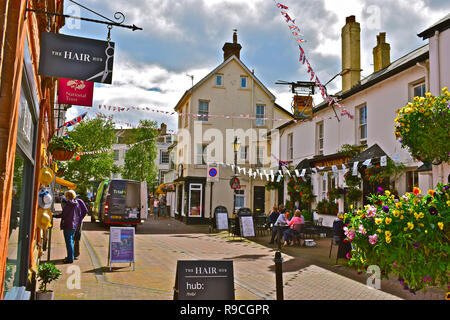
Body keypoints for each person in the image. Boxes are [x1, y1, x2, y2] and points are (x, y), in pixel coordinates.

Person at [54, 190, 84, 264]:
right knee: (71, 241)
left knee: (69, 242)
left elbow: (63, 215)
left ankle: (70, 258)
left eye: (66, 196)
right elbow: (79, 214)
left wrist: (53, 215)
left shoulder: (68, 204)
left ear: (67, 196)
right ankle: (71, 256)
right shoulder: (77, 204)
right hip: (74, 225)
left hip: (68, 225)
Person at [74, 195, 88, 260]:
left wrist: (80, 218)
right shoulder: (68, 202)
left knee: (76, 238)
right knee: (71, 238)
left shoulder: (79, 201)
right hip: (71, 222)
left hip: (78, 222)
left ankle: (76, 254)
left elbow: (85, 210)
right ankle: (71, 254)